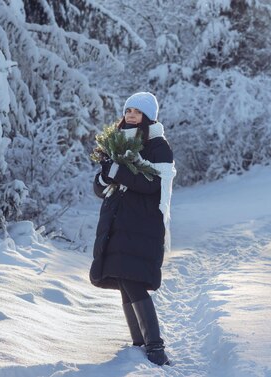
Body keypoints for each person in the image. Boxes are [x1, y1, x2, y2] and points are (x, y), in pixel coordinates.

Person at [90, 92, 176, 366]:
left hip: (142, 224)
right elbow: (101, 188)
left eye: (137, 112)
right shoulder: (118, 144)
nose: (130, 116)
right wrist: (105, 176)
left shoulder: (158, 146)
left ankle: (154, 347)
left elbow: (153, 183)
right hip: (117, 223)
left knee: (133, 281)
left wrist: (118, 171)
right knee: (125, 282)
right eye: (128, 111)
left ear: (148, 116)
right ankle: (140, 344)